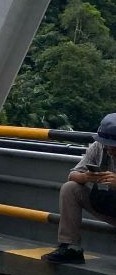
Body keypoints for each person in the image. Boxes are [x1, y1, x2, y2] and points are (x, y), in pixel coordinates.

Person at [42, 113, 116, 264]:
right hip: (108, 204)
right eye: (105, 143)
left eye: (113, 144)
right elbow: (73, 175)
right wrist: (86, 177)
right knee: (70, 188)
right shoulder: (99, 147)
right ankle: (70, 247)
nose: (109, 148)